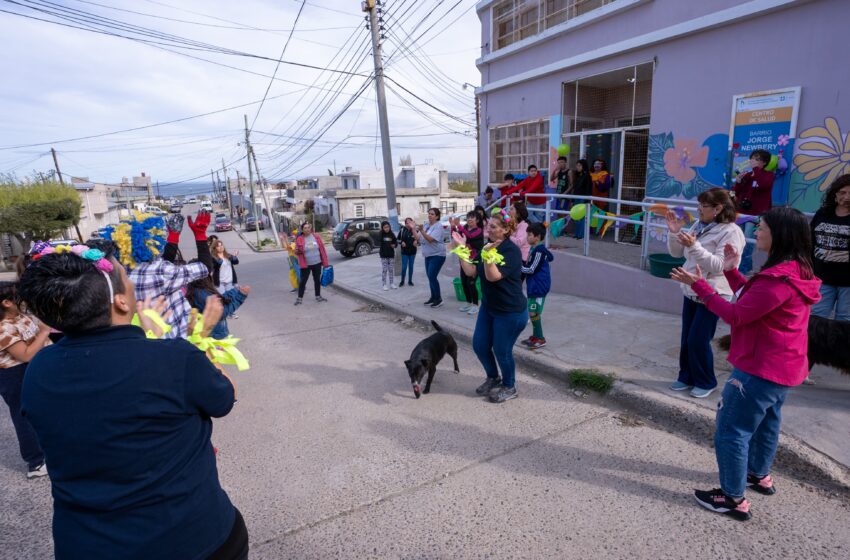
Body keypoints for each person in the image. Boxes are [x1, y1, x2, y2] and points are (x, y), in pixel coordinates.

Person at [17, 244, 248, 559]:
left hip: (87, 545)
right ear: (122, 301)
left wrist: (161, 345)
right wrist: (199, 340)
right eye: (126, 277)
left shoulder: (39, 371)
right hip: (191, 539)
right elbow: (225, 396)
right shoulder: (174, 359)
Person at [670, 206, 821, 522]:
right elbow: (752, 298)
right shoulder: (796, 271)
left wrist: (700, 286)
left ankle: (732, 497)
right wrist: (729, 270)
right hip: (785, 368)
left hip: (760, 369)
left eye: (762, 227)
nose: (757, 232)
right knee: (767, 422)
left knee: (732, 430)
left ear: (778, 234)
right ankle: (758, 474)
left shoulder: (777, 279)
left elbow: (737, 314)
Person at [666, 188, 746, 398]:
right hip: (691, 288)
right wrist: (674, 233)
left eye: (704, 205)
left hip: (714, 293)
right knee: (687, 338)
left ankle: (706, 381)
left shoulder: (731, 232)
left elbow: (721, 265)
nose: (699, 209)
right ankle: (686, 377)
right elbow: (676, 253)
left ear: (718, 208)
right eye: (699, 204)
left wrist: (694, 246)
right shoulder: (699, 225)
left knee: (698, 339)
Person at [452, 208, 528, 403]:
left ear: (505, 230)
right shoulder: (488, 246)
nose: (488, 230)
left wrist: (487, 255)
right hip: (489, 307)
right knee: (479, 345)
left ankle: (510, 386)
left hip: (510, 311)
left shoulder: (511, 251)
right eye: (488, 226)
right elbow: (470, 272)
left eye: (493, 227)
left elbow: (493, 276)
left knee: (501, 350)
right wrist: (461, 248)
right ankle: (493, 378)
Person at [111, 211, 213, 339]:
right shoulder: (162, 271)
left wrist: (174, 237)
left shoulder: (123, 270)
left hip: (146, 338)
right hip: (175, 339)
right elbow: (205, 267)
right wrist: (200, 235)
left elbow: (162, 265)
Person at [0, 281, 50, 479]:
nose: (23, 299)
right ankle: (35, 462)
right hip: (14, 375)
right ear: (6, 303)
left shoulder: (22, 317)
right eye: (17, 296)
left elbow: (40, 342)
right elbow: (26, 355)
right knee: (23, 416)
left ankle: (46, 451)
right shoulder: (3, 329)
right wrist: (45, 331)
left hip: (32, 369)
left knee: (41, 413)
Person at [810, 174, 850, 322]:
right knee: (816, 317)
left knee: (845, 320)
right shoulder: (823, 213)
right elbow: (810, 241)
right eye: (843, 192)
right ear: (835, 194)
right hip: (822, 278)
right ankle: (816, 346)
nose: (846, 197)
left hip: (848, 283)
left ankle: (841, 347)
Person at [733, 149, 775, 275]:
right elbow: (735, 192)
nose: (753, 161)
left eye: (757, 159)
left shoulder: (768, 175)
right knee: (736, 239)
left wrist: (756, 170)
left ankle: (743, 268)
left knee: (748, 241)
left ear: (764, 162)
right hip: (741, 212)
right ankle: (735, 265)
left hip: (755, 214)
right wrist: (738, 182)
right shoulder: (747, 175)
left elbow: (763, 185)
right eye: (753, 158)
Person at [520, 222, 554, 349]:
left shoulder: (539, 251)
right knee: (532, 311)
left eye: (529, 235)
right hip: (534, 285)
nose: (527, 237)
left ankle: (540, 338)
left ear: (537, 236)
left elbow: (531, 269)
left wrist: (518, 266)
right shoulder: (534, 249)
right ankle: (535, 336)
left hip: (539, 286)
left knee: (534, 312)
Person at [451, 211, 484, 315]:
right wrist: (453, 227)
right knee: (464, 282)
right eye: (469, 217)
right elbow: (457, 237)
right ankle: (468, 302)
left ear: (477, 220)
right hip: (464, 258)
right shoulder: (464, 227)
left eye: (472, 217)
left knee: (471, 283)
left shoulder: (479, 230)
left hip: (475, 260)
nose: (469, 219)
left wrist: (459, 225)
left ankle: (475, 305)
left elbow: (469, 236)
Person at [294, 221, 329, 305]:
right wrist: (297, 251)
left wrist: (325, 262)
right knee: (303, 281)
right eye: (305, 228)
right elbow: (296, 251)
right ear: (302, 230)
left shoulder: (316, 236)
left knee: (317, 280)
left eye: (308, 227)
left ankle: (318, 296)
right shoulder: (300, 239)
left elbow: (322, 249)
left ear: (310, 228)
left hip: (317, 262)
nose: (307, 229)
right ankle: (299, 298)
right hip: (306, 264)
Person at [418, 207, 446, 308]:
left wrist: (421, 231)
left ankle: (438, 299)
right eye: (429, 213)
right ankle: (433, 297)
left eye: (432, 214)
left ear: (437, 216)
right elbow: (418, 238)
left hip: (437, 255)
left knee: (432, 276)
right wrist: (413, 228)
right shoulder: (426, 225)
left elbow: (430, 239)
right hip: (428, 255)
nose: (430, 215)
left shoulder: (438, 226)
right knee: (430, 277)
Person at [212, 240, 240, 318]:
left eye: (221, 245)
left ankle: (232, 313)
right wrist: (220, 259)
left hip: (229, 281)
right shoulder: (213, 258)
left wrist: (234, 256)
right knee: (222, 298)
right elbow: (215, 265)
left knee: (231, 297)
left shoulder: (228, 256)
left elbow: (236, 262)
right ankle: (223, 313)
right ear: (215, 248)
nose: (221, 247)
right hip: (220, 282)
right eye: (218, 246)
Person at [572, 159, 592, 239]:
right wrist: (573, 199)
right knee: (576, 216)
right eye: (577, 165)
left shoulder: (587, 176)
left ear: (584, 166)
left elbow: (588, 189)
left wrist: (587, 200)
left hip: (583, 199)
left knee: (582, 217)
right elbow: (575, 188)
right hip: (576, 198)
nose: (577, 167)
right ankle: (577, 233)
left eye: (579, 165)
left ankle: (581, 235)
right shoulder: (577, 175)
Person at [398, 217, 418, 287]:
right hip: (404, 252)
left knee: (411, 267)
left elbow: (419, 239)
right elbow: (397, 240)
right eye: (406, 223)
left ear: (412, 223)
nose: (408, 224)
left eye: (409, 222)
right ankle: (402, 281)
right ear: (405, 223)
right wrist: (402, 242)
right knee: (404, 267)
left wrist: (416, 241)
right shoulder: (402, 230)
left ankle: (410, 281)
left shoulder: (415, 230)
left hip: (413, 252)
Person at [379, 220, 398, 291]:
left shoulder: (391, 234)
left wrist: (394, 245)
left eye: (388, 227)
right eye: (385, 227)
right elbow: (379, 241)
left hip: (391, 255)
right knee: (384, 270)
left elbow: (395, 242)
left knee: (391, 270)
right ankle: (384, 284)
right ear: (382, 228)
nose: (387, 228)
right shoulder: (381, 234)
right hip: (383, 255)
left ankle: (392, 283)